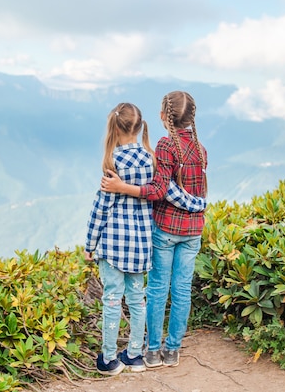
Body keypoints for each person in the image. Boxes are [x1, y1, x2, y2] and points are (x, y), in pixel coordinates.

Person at [85, 102, 205, 376]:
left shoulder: (113, 162)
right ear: (140, 127)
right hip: (140, 245)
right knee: (137, 299)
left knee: (113, 299)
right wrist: (197, 204)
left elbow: (100, 209)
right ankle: (136, 355)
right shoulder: (151, 158)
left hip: (112, 245)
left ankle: (109, 358)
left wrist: (89, 244)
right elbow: (169, 191)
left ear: (114, 128)